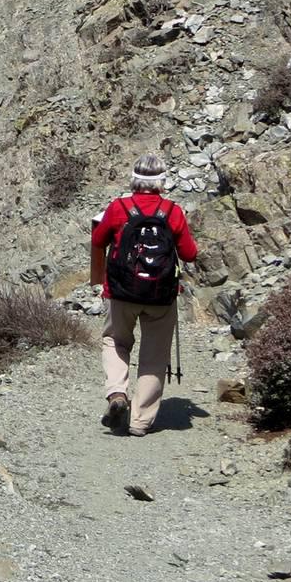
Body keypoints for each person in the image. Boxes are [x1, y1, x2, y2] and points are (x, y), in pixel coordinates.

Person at [90, 153, 198, 437]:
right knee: (154, 354)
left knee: (115, 340)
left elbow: (98, 240)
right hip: (161, 296)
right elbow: (190, 253)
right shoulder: (172, 211)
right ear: (162, 181)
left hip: (122, 292)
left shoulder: (118, 208)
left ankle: (117, 394)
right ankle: (140, 422)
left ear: (134, 179)